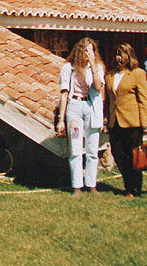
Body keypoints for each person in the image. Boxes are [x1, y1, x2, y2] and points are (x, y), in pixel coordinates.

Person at [56, 37, 105, 197]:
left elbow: (98, 87)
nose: (88, 54)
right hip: (75, 108)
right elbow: (64, 94)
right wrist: (61, 120)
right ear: (79, 52)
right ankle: (77, 186)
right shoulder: (68, 68)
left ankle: (92, 184)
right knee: (75, 149)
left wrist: (93, 67)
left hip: (91, 107)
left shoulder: (97, 67)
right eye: (85, 51)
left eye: (91, 51)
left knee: (92, 148)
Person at [105, 43, 147, 199]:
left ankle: (134, 188)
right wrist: (107, 120)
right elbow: (108, 101)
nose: (118, 58)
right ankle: (128, 184)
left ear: (129, 56)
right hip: (115, 122)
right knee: (118, 154)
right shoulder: (110, 75)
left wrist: (146, 123)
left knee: (133, 156)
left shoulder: (137, 74)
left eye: (122, 54)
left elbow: (144, 99)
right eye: (117, 54)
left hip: (132, 122)